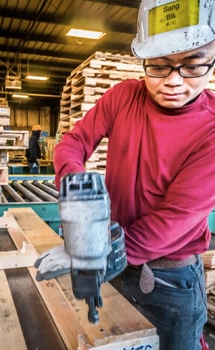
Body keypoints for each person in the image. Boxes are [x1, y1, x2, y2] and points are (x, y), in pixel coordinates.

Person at [51, 1, 215, 347]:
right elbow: (74, 143)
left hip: (172, 281)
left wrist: (101, 252)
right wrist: (74, 185)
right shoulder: (123, 96)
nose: (173, 81)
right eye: (158, 66)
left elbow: (175, 218)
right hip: (117, 262)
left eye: (193, 66)